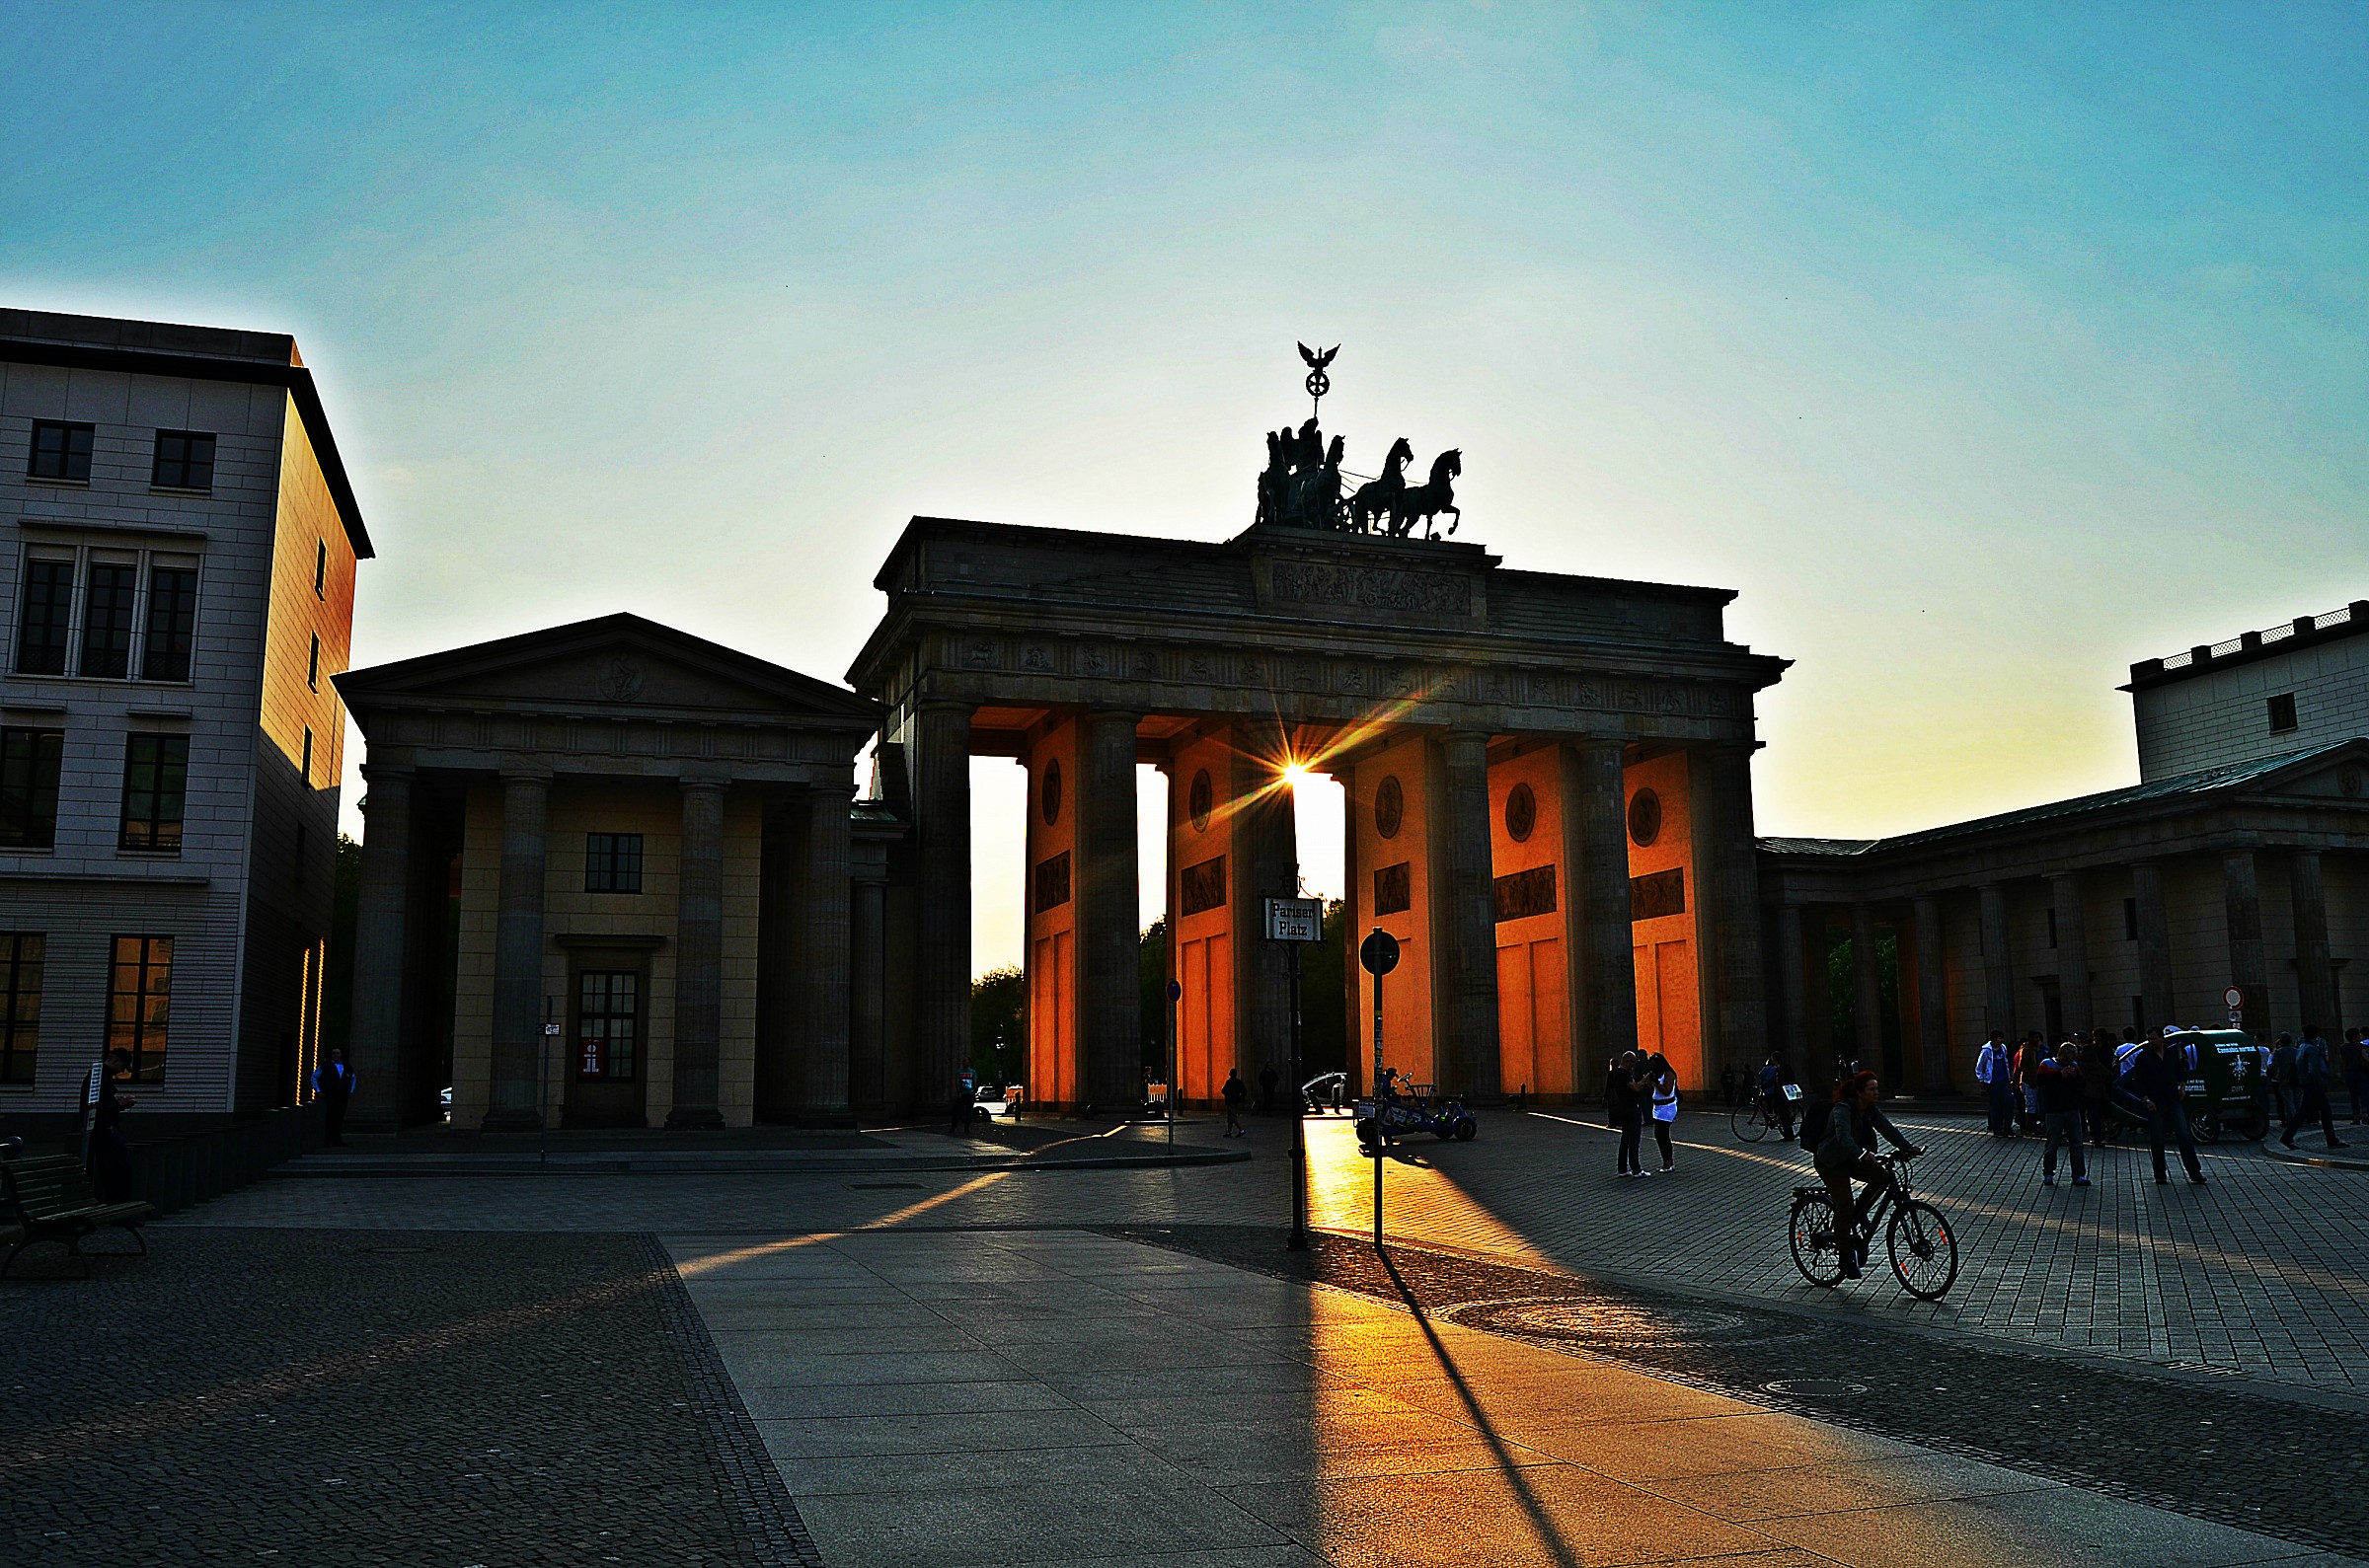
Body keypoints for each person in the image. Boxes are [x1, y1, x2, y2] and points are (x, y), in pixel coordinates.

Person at [1813, 1071, 1922, 1278]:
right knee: (1844, 1204)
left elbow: (1887, 1129)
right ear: (1860, 1092)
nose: (1876, 1092)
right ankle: (1845, 1257)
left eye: (1877, 1088)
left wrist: (1907, 1147)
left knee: (1882, 1177)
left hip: (1851, 1158)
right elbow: (1843, 1136)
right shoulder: (1843, 1108)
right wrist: (1862, 1153)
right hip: (1831, 1161)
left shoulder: (1870, 1109)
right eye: (1872, 1089)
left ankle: (1857, 1213)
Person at [2128, 1032, 2205, 1184]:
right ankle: (2160, 1174)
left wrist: (2182, 1086)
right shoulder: (2144, 1057)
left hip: (2172, 1099)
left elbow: (2180, 1071)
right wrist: (2146, 1099)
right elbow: (2139, 1081)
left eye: (2153, 1038)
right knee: (2157, 1138)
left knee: (2184, 1135)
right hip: (2155, 1102)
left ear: (2161, 1039)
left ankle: (2194, 1171)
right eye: (2148, 1039)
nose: (2150, 1041)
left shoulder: (2171, 1054)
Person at [2281, 1024, 2350, 1151]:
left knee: (2305, 1111)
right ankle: (2331, 1139)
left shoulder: (2301, 1047)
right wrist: (2321, 1080)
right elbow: (2314, 1069)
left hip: (2305, 1082)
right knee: (2324, 1111)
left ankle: (2288, 1136)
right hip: (2313, 1084)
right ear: (2316, 1035)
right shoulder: (2312, 1049)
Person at [2034, 1041, 2089, 1187]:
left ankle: (2079, 1174)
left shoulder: (2074, 1066)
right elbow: (2040, 1083)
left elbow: (2082, 1085)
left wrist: (2074, 1076)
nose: (2068, 1063)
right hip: (2054, 1110)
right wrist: (2060, 1075)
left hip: (2072, 1108)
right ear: (2060, 1055)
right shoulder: (2046, 1064)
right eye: (2066, 1060)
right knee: (2052, 1143)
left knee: (2076, 1143)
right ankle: (2048, 1173)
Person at [89, 1048, 137, 1202]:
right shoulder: (101, 1078)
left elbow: (97, 1105)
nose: (121, 1071)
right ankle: (118, 1204)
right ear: (115, 1061)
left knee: (115, 1171)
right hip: (105, 1132)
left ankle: (117, 1203)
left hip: (103, 1130)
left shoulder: (100, 1077)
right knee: (118, 1171)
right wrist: (119, 1104)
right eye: (122, 1066)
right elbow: (95, 1107)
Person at [1606, 1051, 1646, 1177]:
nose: (1633, 1066)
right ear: (1627, 1061)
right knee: (1634, 1140)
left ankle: (1622, 1169)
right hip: (1631, 1109)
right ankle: (1636, 1169)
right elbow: (1636, 1088)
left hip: (1623, 1110)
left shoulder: (1616, 1073)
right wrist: (1645, 1079)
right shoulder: (1624, 1073)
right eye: (1633, 1062)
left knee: (1625, 1140)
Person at [312, 1047, 356, 1147]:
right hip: (330, 1095)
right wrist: (318, 1090)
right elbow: (314, 1077)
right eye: (333, 1053)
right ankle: (328, 1139)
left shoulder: (348, 1067)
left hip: (342, 1095)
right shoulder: (324, 1066)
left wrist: (351, 1091)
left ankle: (336, 1140)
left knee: (339, 1117)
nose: (335, 1055)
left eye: (337, 1053)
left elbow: (353, 1079)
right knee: (329, 1117)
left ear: (341, 1054)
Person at [2081, 1032, 2117, 1148]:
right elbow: (2109, 1074)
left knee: (2083, 1116)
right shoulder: (2097, 1065)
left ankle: (2081, 1136)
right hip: (2097, 1094)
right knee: (2096, 1116)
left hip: (2083, 1093)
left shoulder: (2079, 1065)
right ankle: (2098, 1139)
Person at [1646, 1051, 1679, 1171]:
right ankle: (1668, 1161)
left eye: (1654, 1064)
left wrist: (1655, 1082)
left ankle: (1668, 1162)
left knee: (1662, 1135)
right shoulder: (1658, 1073)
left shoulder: (1668, 1074)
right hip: (1658, 1107)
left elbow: (1666, 1091)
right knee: (1660, 1135)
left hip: (1667, 1107)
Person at [2271, 1032, 2299, 1125]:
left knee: (2288, 1100)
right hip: (2296, 1077)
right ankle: (2299, 1118)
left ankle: (2293, 1119)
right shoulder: (2296, 1051)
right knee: (2297, 1100)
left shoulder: (2278, 1052)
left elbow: (2275, 1065)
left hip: (2284, 1078)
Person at [2347, 1027, 2369, 1127]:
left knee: (2354, 1096)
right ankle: (2365, 1115)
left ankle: (2356, 1116)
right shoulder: (2361, 1046)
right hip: (2361, 1072)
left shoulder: (2343, 1047)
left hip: (2349, 1072)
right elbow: (2366, 1057)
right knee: (2364, 1094)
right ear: (2356, 1036)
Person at [948, 1066, 976, 1135]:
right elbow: (957, 1082)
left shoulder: (972, 1072)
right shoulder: (960, 1072)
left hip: (969, 1093)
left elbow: (974, 1081)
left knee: (968, 1111)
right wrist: (959, 1092)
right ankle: (957, 1125)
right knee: (960, 1110)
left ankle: (965, 1126)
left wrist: (974, 1091)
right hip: (963, 1094)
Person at [1221, 1068, 1247, 1138]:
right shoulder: (1239, 1082)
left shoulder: (1229, 1082)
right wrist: (1241, 1098)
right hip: (1237, 1101)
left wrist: (1228, 1094)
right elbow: (1244, 1091)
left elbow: (1223, 1091)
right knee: (1230, 1117)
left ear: (1230, 1074)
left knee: (1232, 1117)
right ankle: (1229, 1132)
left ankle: (1241, 1130)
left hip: (1230, 1102)